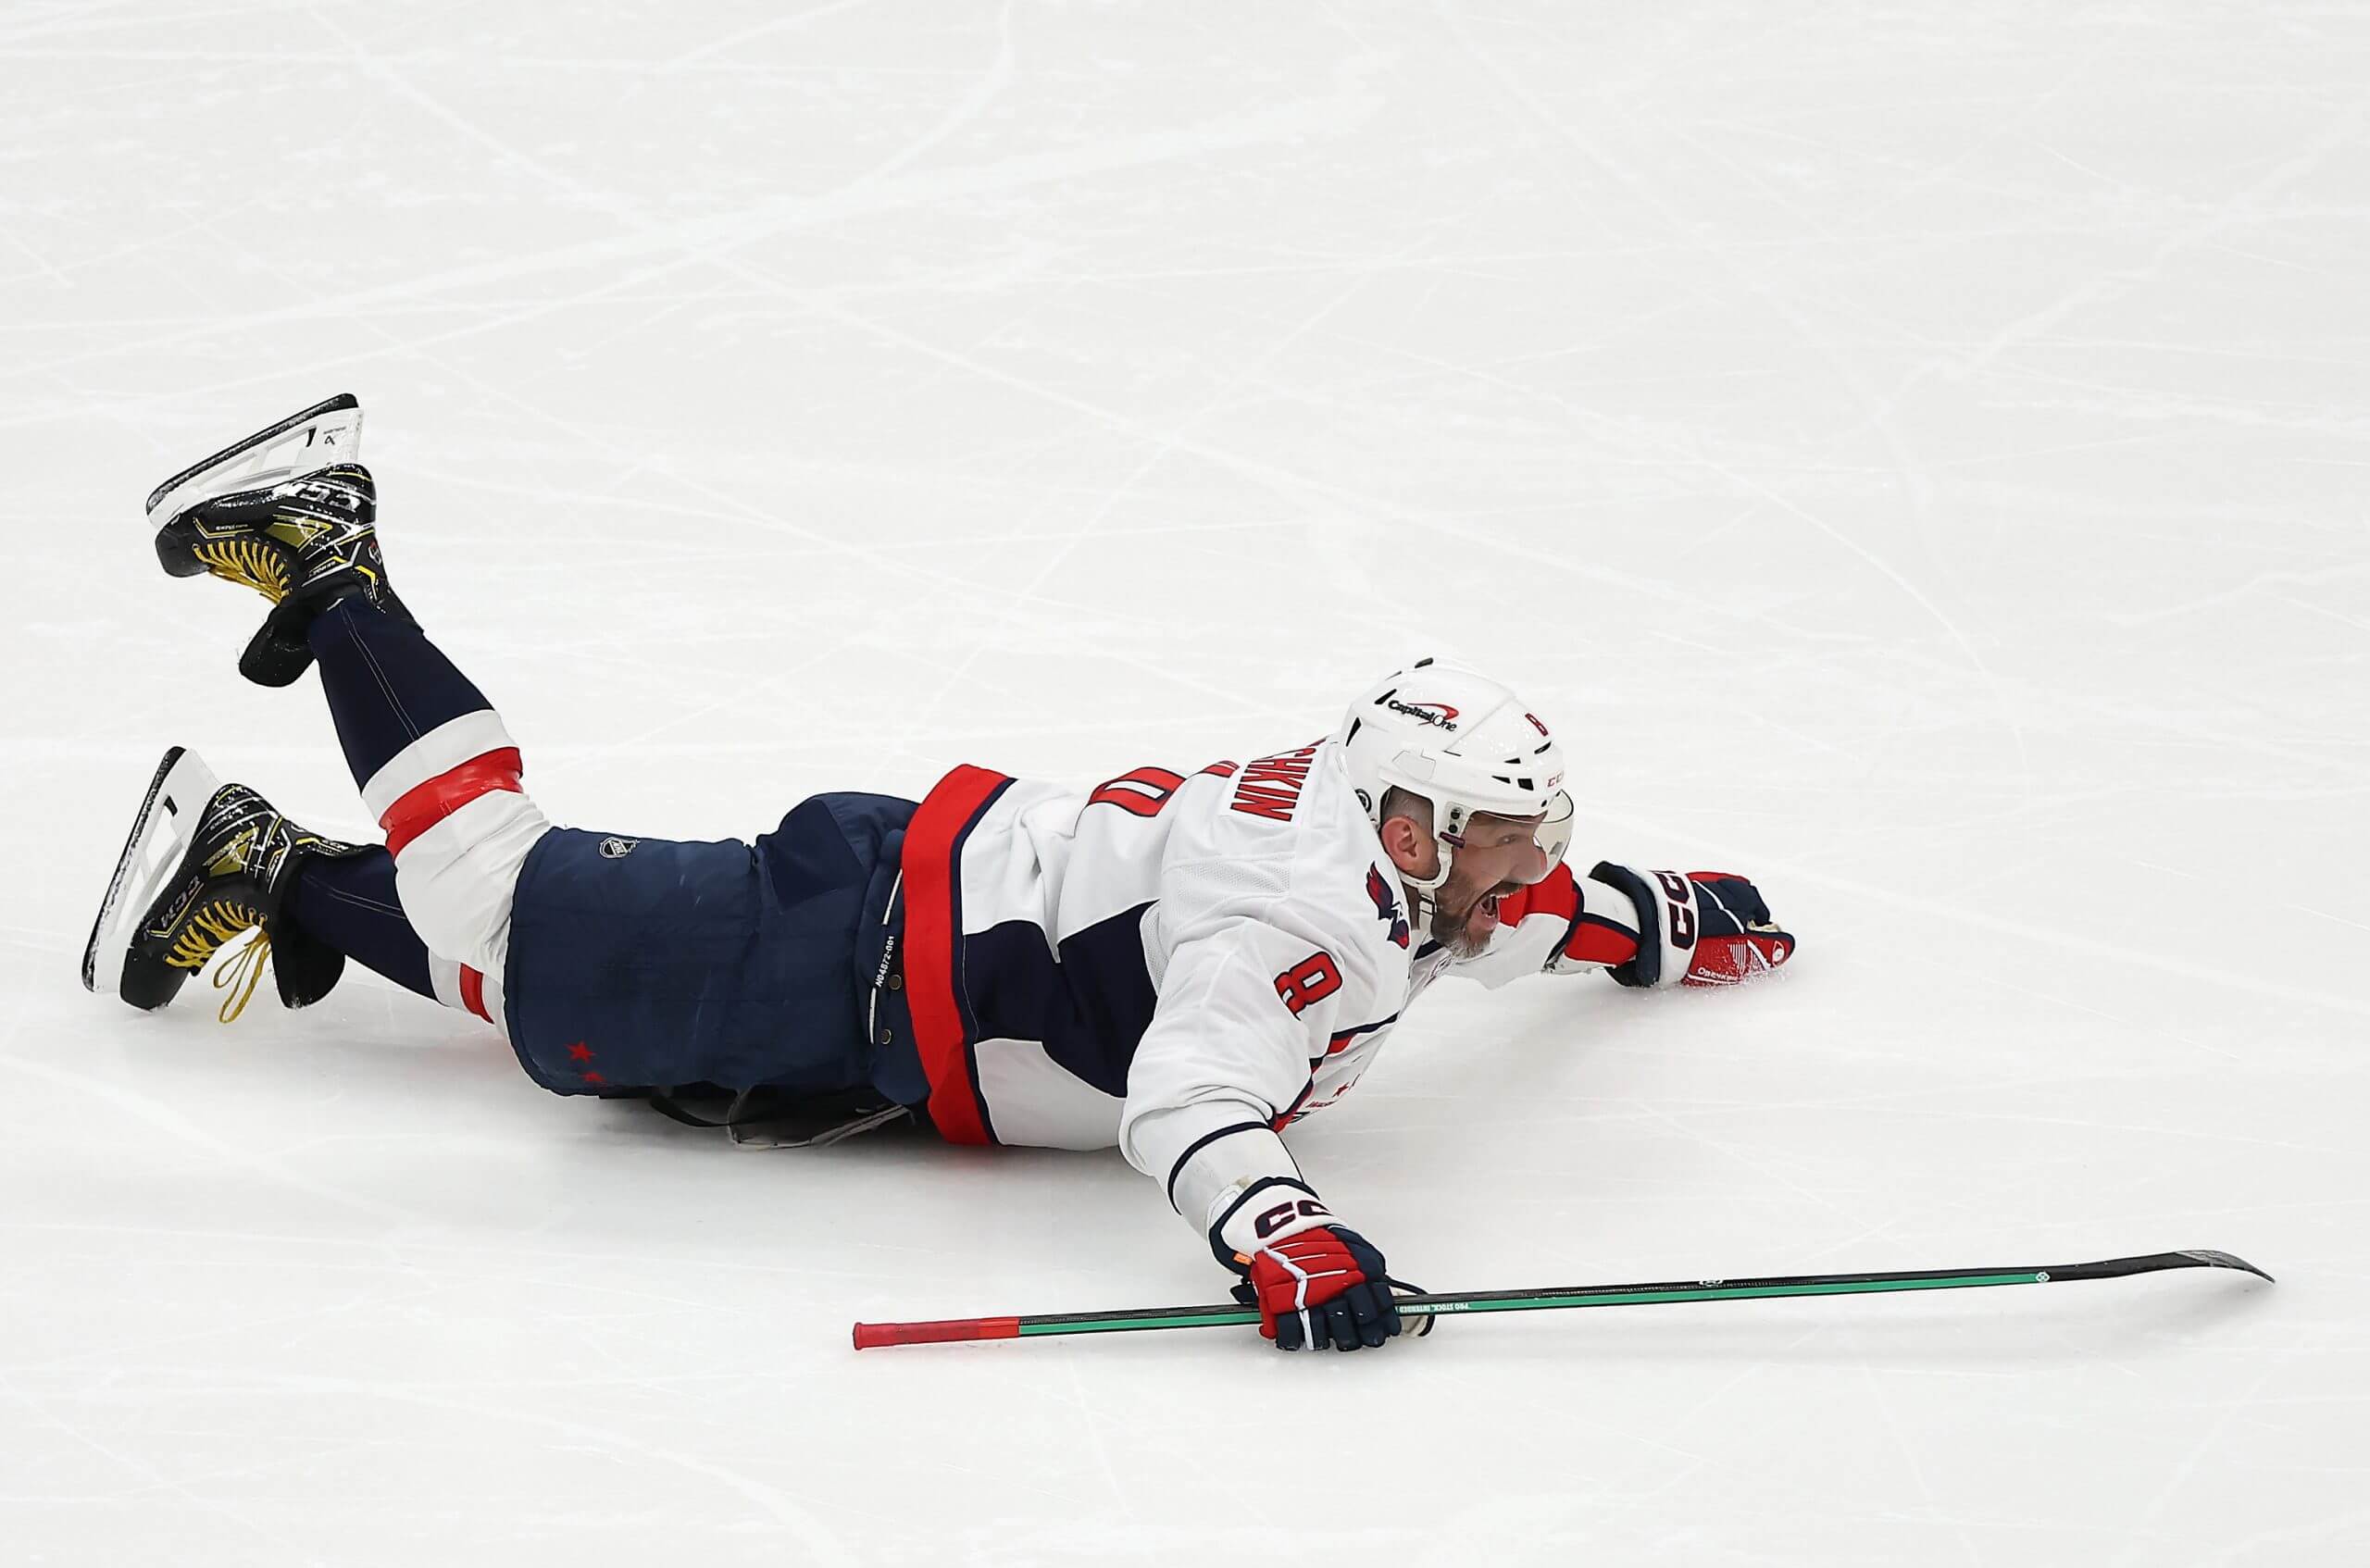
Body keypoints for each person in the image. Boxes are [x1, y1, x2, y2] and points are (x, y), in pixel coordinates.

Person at [84, 395, 1799, 1355]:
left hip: (886, 962)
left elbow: (1499, 928)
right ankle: (325, 553)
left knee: (570, 1018)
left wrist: (1635, 924)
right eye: (1506, 841)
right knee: (501, 911)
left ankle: (260, 867)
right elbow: (1196, 1108)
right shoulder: (1296, 932)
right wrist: (1287, 1243)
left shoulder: (1375, 845)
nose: (1529, 873)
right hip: (851, 961)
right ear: (1412, 825)